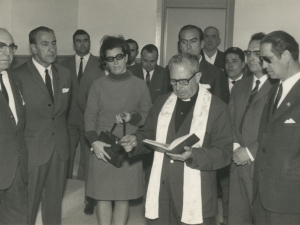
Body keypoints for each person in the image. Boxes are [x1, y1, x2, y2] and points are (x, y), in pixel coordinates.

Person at [120, 52, 232, 225]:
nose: (178, 87)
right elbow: (148, 134)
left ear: (198, 76)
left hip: (197, 195)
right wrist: (135, 141)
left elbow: (224, 153)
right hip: (162, 190)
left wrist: (194, 154)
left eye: (183, 81)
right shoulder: (162, 102)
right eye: (173, 81)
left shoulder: (217, 108)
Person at [84, 36, 152, 225]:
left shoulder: (139, 85)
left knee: (123, 197)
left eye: (119, 57)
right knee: (102, 197)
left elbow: (148, 115)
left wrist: (132, 117)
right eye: (110, 58)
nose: (116, 63)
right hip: (102, 146)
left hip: (128, 146)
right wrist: (94, 142)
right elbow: (89, 117)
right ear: (105, 62)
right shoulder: (98, 85)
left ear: (127, 57)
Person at [13, 26, 71, 225]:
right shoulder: (17, 76)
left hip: (60, 150)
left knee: (54, 207)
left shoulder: (65, 74)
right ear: (33, 48)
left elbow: (63, 114)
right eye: (45, 44)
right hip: (32, 151)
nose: (51, 49)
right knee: (27, 206)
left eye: (53, 43)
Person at [228, 32, 276, 225]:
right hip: (236, 163)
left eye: (257, 53)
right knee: (238, 218)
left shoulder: (277, 86)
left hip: (262, 165)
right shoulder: (240, 85)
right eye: (249, 53)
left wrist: (249, 151)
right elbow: (229, 120)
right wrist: (234, 146)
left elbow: (275, 130)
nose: (251, 58)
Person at [253, 30, 300, 225]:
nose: (264, 66)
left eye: (268, 59)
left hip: (290, 202)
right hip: (262, 197)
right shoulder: (274, 90)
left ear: (286, 55)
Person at [61, 29, 104, 215]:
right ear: (73, 44)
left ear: (90, 43)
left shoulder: (100, 65)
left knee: (89, 160)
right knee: (66, 157)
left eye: (85, 40)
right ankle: (63, 193)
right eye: (78, 41)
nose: (82, 44)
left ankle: (89, 198)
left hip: (89, 120)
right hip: (69, 119)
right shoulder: (64, 65)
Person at [0, 28, 28, 225]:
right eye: (1, 47)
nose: (8, 53)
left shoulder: (16, 81)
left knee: (16, 218)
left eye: (11, 47)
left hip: (16, 168)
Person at [176, 24, 229, 103]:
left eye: (193, 41)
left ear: (202, 44)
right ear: (179, 46)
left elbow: (220, 108)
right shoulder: (170, 70)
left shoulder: (216, 73)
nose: (188, 46)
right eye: (184, 42)